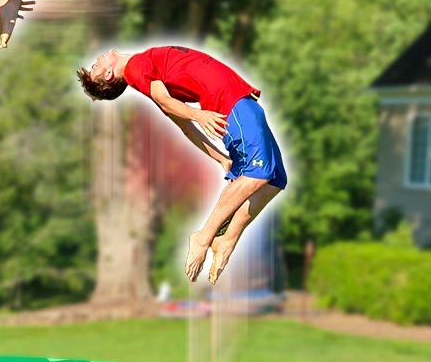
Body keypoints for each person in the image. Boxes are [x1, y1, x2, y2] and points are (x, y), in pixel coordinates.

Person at [76, 45, 286, 285]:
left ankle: (226, 239)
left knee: (275, 179)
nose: (98, 59)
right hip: (229, 104)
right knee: (258, 173)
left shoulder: (149, 70)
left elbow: (183, 124)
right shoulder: (135, 68)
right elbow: (167, 103)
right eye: (96, 67)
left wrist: (221, 158)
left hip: (241, 100)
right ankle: (203, 237)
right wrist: (200, 115)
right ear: (109, 75)